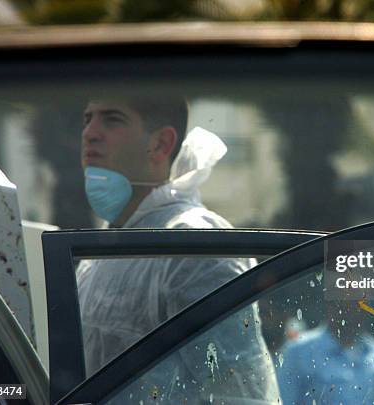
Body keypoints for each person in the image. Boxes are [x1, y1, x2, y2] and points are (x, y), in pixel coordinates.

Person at [76, 96, 280, 403]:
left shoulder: (194, 244)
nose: (89, 132)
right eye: (87, 118)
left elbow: (239, 395)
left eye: (112, 119)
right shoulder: (104, 248)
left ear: (160, 144)